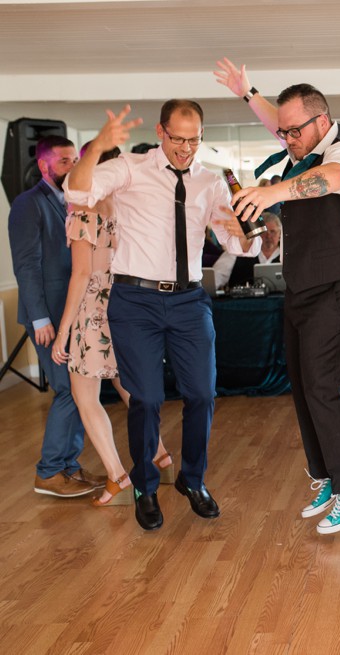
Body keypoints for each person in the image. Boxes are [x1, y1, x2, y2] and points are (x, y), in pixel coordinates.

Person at [65, 100, 259, 531]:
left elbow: (239, 246)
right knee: (147, 398)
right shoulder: (130, 169)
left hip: (190, 301)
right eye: (178, 138)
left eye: (194, 140)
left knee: (202, 395)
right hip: (135, 301)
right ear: (160, 132)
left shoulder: (211, 182)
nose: (186, 148)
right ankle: (145, 487)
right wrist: (97, 145)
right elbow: (77, 193)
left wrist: (251, 228)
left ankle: (192, 481)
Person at [215, 57, 340, 535]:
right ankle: (330, 476)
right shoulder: (300, 145)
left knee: (328, 387)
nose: (285, 139)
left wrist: (271, 194)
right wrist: (248, 93)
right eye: (283, 132)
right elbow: (281, 120)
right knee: (306, 390)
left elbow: (330, 181)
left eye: (294, 131)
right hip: (304, 287)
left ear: (322, 122)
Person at [51, 143, 173, 506]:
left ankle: (118, 476)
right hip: (125, 302)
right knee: (127, 384)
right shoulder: (127, 205)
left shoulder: (82, 211)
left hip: (92, 309)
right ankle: (160, 456)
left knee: (84, 396)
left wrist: (63, 332)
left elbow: (82, 274)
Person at [8, 135, 99, 498]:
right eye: (64, 162)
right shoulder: (27, 205)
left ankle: (68, 467)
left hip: (71, 314)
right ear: (44, 165)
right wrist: (40, 318)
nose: (72, 168)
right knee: (66, 389)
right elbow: (26, 265)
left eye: (73, 160)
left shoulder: (72, 200)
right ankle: (48, 471)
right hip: (46, 317)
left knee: (77, 391)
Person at [221, 212, 282, 287]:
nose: (268, 236)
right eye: (263, 232)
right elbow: (216, 280)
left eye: (273, 231)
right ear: (255, 234)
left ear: (280, 234)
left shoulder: (289, 256)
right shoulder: (235, 253)